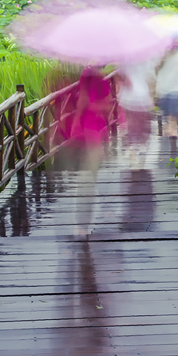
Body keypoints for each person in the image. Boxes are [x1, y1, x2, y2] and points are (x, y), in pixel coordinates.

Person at [68, 66, 111, 237]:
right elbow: (104, 103)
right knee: (88, 179)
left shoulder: (92, 76)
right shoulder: (91, 75)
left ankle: (83, 225)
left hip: (92, 134)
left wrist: (86, 111)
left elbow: (101, 104)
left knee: (86, 180)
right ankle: (85, 222)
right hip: (91, 133)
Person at [117, 60, 158, 167]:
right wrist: (151, 96)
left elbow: (118, 76)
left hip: (127, 98)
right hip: (142, 97)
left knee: (131, 126)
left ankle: (133, 152)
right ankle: (141, 144)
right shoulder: (147, 60)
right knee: (143, 125)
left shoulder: (124, 60)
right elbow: (151, 79)